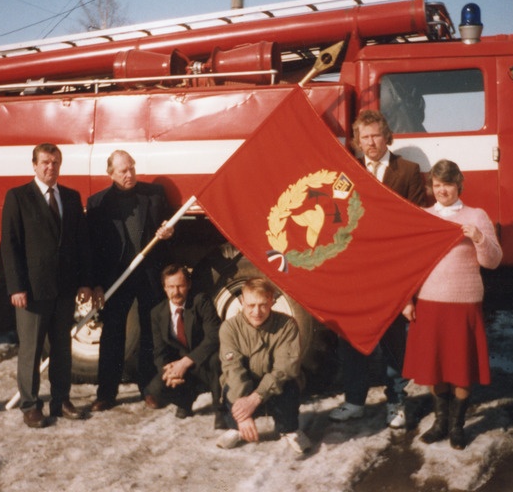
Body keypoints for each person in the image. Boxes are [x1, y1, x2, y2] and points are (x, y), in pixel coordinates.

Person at [329, 109, 427, 428]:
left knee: (394, 339)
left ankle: (396, 401)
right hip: (356, 271)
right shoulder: (347, 171)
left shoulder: (409, 171)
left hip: (392, 269)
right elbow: (334, 215)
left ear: (387, 136)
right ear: (357, 141)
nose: (371, 142)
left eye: (376, 135)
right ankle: (354, 401)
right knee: (353, 337)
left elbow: (417, 223)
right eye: (365, 137)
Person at [401, 159, 503, 450]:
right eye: (436, 185)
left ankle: (457, 427)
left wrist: (480, 238)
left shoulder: (476, 215)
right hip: (430, 302)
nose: (442, 190)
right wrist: (407, 299)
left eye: (447, 184)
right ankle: (439, 423)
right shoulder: (423, 216)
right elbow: (411, 265)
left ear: (459, 185)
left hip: (464, 302)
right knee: (435, 368)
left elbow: (493, 261)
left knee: (460, 369)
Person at [0, 143, 94, 428]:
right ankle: (30, 405)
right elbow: (10, 245)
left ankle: (61, 400)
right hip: (32, 290)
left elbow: (81, 244)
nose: (50, 167)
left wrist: (85, 282)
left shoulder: (71, 196)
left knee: (62, 349)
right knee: (31, 349)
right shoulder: (18, 197)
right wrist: (16, 287)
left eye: (55, 162)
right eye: (44, 162)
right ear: (34, 165)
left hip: (64, 289)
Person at [86, 150, 174, 412]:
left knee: (150, 333)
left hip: (149, 276)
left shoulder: (155, 194)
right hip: (116, 277)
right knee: (113, 334)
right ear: (110, 174)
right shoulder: (98, 203)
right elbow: (93, 248)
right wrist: (96, 283)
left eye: (132, 168)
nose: (129, 174)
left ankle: (149, 389)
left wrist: (169, 232)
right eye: (123, 170)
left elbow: (170, 228)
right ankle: (106, 393)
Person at [216, 278, 311, 454]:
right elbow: (233, 369)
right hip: (244, 382)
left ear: (271, 301)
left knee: (289, 383)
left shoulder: (287, 325)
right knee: (231, 383)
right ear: (242, 302)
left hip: (274, 381)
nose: (256, 312)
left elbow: (285, 368)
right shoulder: (229, 328)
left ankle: (289, 429)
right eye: (251, 305)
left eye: (262, 305)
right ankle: (236, 428)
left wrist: (255, 399)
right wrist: (243, 416)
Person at [143, 263, 227, 428]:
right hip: (182, 365)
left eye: (180, 286)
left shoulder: (200, 301)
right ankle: (184, 402)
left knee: (216, 360)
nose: (176, 292)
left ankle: (221, 411)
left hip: (205, 360)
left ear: (188, 285)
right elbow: (159, 352)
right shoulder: (157, 313)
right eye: (171, 287)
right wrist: (169, 372)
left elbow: (214, 336)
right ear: (164, 288)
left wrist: (185, 362)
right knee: (155, 389)